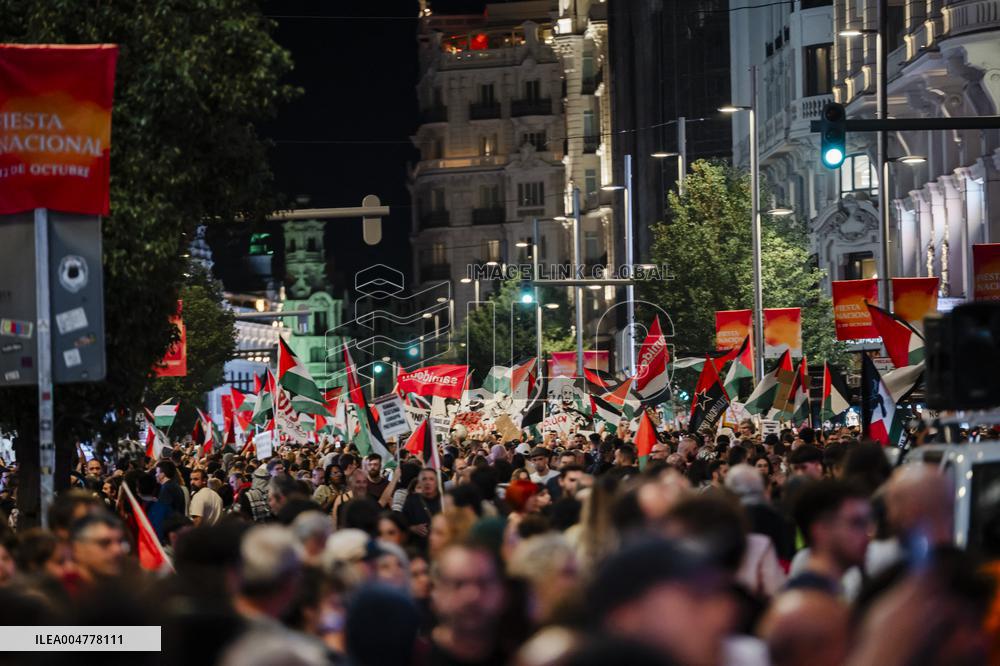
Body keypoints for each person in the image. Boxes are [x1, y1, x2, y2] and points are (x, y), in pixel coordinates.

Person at [422, 542, 507, 666]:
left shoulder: (524, 657)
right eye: (458, 584)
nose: (472, 596)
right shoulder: (413, 656)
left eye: (483, 583)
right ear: (436, 592)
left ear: (502, 592)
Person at [786, 480, 871, 597]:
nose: (867, 533)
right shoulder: (806, 605)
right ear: (821, 529)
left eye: (867, 522)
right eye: (856, 523)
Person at [69, 512, 127, 587]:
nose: (118, 550)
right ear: (77, 548)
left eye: (120, 542)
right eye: (104, 543)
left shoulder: (131, 592)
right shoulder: (57, 595)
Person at [402, 469, 442, 549]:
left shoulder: (445, 500)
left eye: (431, 479)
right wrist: (413, 528)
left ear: (437, 482)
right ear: (419, 482)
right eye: (424, 479)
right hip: (419, 547)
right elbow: (402, 524)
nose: (428, 482)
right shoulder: (411, 501)